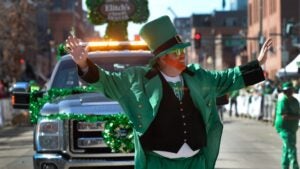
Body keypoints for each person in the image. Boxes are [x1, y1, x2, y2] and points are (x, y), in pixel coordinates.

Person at [66, 15, 272, 169]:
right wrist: (84, 63)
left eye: (183, 50)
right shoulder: (138, 80)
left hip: (195, 163)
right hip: (159, 164)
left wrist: (257, 64)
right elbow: (106, 81)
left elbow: (228, 78)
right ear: (162, 57)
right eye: (177, 52)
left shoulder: (198, 77)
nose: (182, 55)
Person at [274, 81, 300, 169]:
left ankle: (285, 166)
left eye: (289, 90)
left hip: (293, 128)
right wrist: (297, 117)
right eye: (285, 91)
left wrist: (296, 117)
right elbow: (285, 116)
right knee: (291, 147)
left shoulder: (295, 101)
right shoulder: (282, 101)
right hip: (284, 128)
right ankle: (295, 167)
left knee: (286, 147)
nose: (287, 92)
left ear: (292, 90)